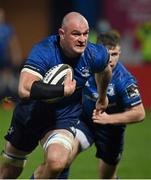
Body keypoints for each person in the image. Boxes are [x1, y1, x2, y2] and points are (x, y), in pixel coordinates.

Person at [0, 12, 111, 179]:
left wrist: (102, 97)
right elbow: (23, 89)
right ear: (62, 33)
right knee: (9, 171)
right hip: (30, 114)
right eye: (76, 34)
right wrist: (62, 91)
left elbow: (105, 70)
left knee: (56, 162)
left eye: (85, 33)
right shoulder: (44, 50)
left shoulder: (94, 54)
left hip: (62, 117)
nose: (82, 39)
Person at [81, 30, 145, 179]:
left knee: (107, 177)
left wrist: (108, 119)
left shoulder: (125, 80)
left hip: (111, 132)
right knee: (62, 157)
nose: (111, 59)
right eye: (107, 54)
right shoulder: (84, 66)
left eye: (115, 54)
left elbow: (140, 113)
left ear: (120, 52)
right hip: (85, 122)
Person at [0, 8, 22, 104]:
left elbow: (13, 43)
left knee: (9, 82)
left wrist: (16, 55)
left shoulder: (8, 28)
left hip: (5, 60)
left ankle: (9, 101)